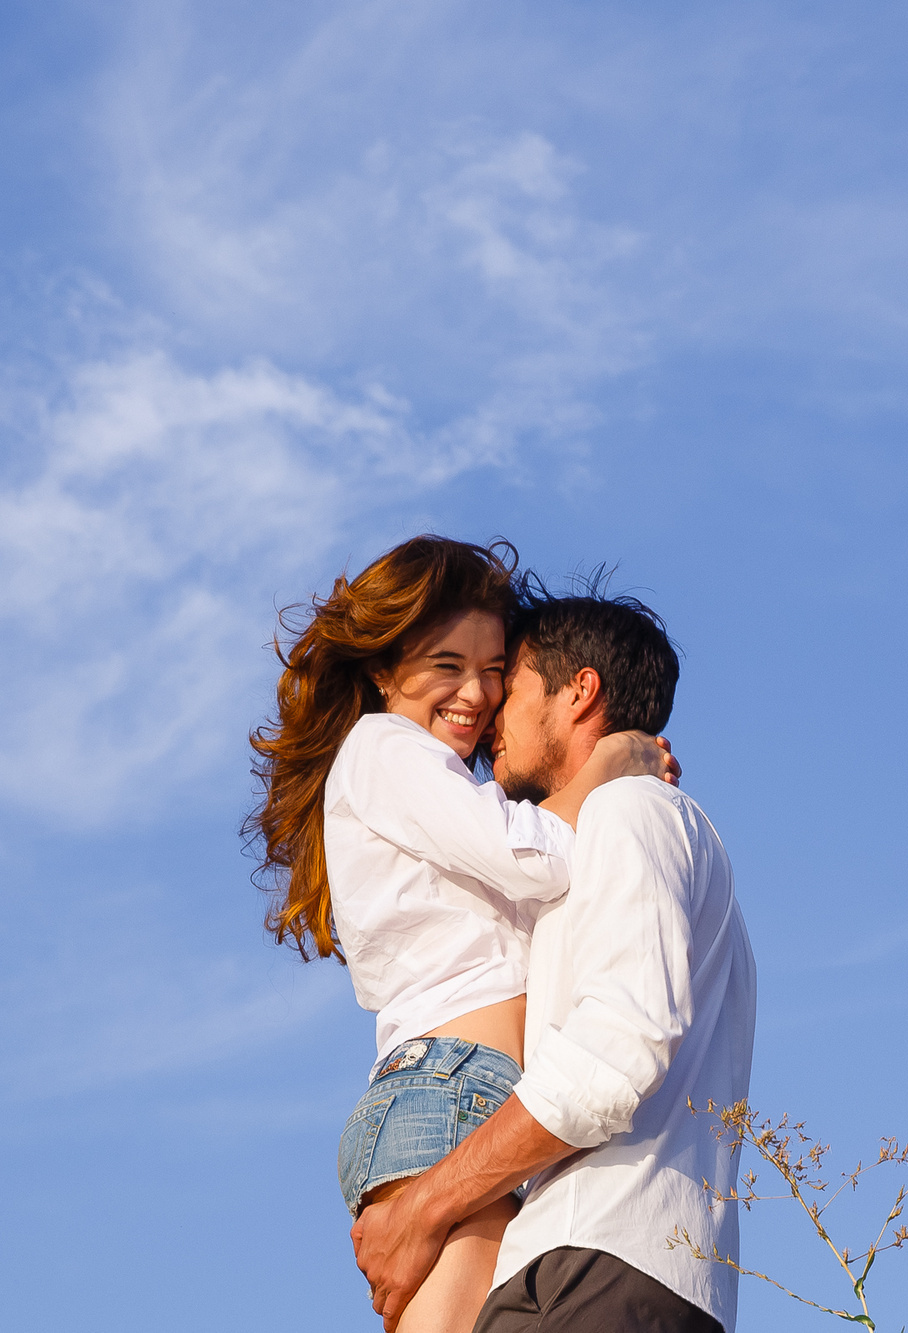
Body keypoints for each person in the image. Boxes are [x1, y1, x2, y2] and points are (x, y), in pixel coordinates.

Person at [247, 536, 678, 1333]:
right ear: (384, 671)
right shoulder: (385, 748)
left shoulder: (435, 781)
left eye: (491, 670)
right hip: (450, 1091)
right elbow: (534, 854)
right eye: (447, 665)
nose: (475, 694)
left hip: (472, 1096)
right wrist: (614, 765)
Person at [351, 585, 757, 1333]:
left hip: (594, 1266)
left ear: (579, 691)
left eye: (514, 683)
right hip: (622, 1269)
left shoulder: (631, 811)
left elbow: (614, 1055)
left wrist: (425, 1205)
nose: (491, 712)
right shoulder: (621, 836)